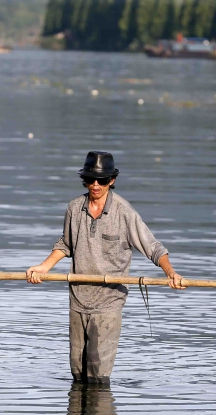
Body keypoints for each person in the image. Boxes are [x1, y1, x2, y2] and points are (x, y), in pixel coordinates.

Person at [27, 151, 184, 384]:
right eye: (91, 179)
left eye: (101, 180)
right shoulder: (74, 208)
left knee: (98, 377)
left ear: (112, 180)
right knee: (78, 374)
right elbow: (66, 244)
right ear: (85, 179)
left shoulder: (124, 212)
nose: (96, 185)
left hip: (108, 302)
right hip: (78, 299)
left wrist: (171, 273)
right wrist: (44, 267)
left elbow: (153, 247)